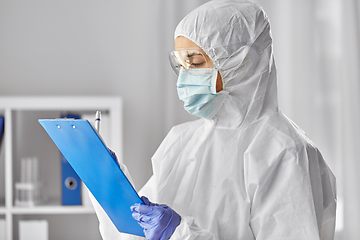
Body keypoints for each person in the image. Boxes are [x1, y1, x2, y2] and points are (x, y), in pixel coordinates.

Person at [91, 0, 337, 239]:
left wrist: (179, 234)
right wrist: (108, 182)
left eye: (196, 63)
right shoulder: (181, 141)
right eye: (182, 64)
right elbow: (130, 235)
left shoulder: (285, 152)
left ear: (243, 63)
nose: (184, 78)